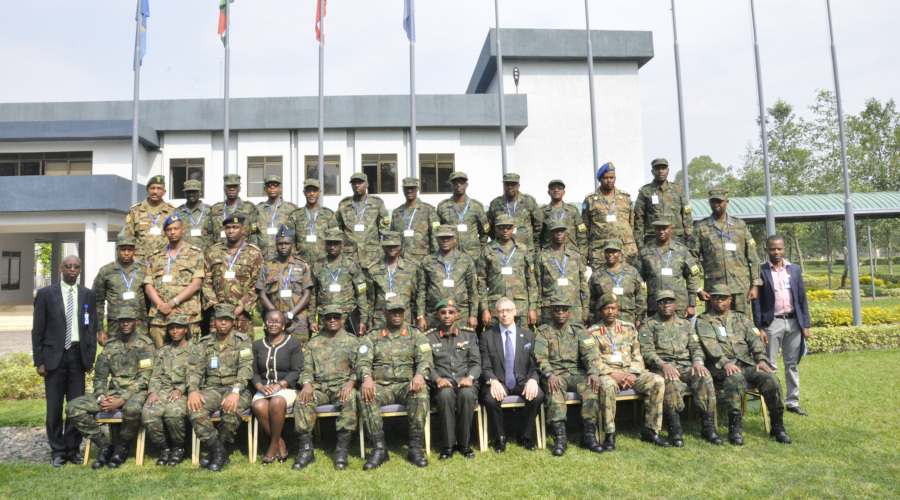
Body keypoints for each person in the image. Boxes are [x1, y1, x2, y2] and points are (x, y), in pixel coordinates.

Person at [697, 284, 792, 445]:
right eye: (715, 298)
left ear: (730, 300)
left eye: (722, 298)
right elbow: (710, 344)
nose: (719, 301)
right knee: (735, 379)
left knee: (771, 379)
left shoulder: (740, 318)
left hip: (747, 363)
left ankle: (778, 426)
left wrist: (761, 359)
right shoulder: (704, 319)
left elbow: (754, 339)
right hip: (720, 366)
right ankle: (735, 429)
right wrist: (725, 363)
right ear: (711, 300)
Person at [31, 255, 98, 467]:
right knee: (54, 408)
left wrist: (89, 358)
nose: (72, 270)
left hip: (77, 357)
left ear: (80, 270)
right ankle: (57, 451)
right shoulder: (45, 294)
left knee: (76, 406)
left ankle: (72, 449)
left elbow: (91, 329)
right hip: (53, 359)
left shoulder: (88, 294)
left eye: (76, 267)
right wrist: (39, 361)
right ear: (61, 268)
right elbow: (37, 330)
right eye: (68, 266)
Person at [66, 311, 155, 469]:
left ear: (136, 322)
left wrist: (122, 399)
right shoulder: (110, 345)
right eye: (122, 321)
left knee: (132, 410)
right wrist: (101, 396)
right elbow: (100, 376)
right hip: (112, 393)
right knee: (73, 407)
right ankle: (104, 445)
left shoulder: (145, 344)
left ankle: (122, 448)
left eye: (129, 320)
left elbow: (145, 377)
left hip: (136, 392)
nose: (125, 324)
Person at [638, 290, 721, 447]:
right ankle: (675, 429)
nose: (666, 305)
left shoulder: (685, 324)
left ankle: (708, 427)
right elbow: (646, 351)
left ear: (675, 304)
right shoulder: (648, 325)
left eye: (670, 301)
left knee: (705, 378)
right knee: (671, 382)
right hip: (662, 366)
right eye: (662, 302)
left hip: (686, 365)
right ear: (657, 305)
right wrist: (663, 365)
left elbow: (695, 346)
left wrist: (697, 362)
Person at [357, 297, 433, 469]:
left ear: (405, 313)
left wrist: (420, 375)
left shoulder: (416, 334)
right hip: (381, 386)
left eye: (400, 311)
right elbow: (362, 362)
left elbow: (426, 359)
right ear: (385, 313)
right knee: (366, 395)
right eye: (392, 312)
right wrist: (367, 378)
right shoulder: (373, 335)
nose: (396, 315)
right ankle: (379, 449)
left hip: (406, 385)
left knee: (420, 392)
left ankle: (415, 448)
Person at [588, 293, 665, 451]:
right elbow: (593, 359)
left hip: (631, 372)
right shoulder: (592, 332)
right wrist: (613, 374)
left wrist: (632, 374)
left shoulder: (629, 328)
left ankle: (650, 430)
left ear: (617, 310)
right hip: (609, 374)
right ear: (600, 311)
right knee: (607, 387)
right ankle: (610, 434)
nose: (610, 312)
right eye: (606, 308)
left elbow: (637, 355)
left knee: (657, 381)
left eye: (613, 308)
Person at [533, 295, 604, 456]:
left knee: (591, 390)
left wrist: (593, 371)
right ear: (551, 312)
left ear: (569, 312)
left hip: (575, 373)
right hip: (555, 374)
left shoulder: (578, 331)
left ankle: (589, 436)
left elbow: (591, 353)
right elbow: (540, 357)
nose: (560, 312)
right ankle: (560, 439)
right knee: (555, 392)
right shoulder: (544, 332)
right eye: (556, 309)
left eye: (564, 309)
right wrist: (549, 374)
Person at [186, 303, 253, 471]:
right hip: (212, 389)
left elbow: (246, 369)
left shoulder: (242, 341)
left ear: (233, 323)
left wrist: (235, 392)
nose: (223, 323)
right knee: (195, 408)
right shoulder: (204, 343)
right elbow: (194, 370)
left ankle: (217, 452)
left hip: (237, 389)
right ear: (214, 322)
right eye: (220, 319)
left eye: (227, 320)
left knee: (232, 411)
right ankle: (218, 451)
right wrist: (193, 390)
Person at [293, 304, 360, 470]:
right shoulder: (313, 343)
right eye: (328, 317)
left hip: (342, 387)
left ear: (342, 319)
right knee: (302, 400)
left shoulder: (353, 342)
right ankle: (306, 451)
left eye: (336, 317)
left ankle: (342, 450)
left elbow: (359, 368)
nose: (332, 320)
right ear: (322, 320)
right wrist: (307, 384)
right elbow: (306, 368)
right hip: (319, 388)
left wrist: (350, 383)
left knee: (350, 399)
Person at [752, 234, 812, 416]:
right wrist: (760, 328)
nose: (776, 252)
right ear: (766, 250)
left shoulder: (793, 270)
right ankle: (772, 402)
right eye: (772, 249)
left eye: (779, 248)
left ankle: (792, 402)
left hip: (794, 323)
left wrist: (806, 325)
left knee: (792, 364)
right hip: (772, 324)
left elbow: (802, 298)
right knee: (771, 365)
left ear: (784, 249)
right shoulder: (761, 271)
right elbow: (756, 302)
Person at [479, 297, 544, 452]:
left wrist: (533, 380)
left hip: (522, 381)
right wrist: (493, 381)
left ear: (515, 312)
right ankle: (500, 438)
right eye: (501, 311)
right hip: (499, 381)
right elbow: (484, 366)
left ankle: (525, 435)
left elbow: (535, 365)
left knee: (538, 396)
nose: (505, 314)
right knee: (489, 398)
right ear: (496, 314)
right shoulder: (487, 336)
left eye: (508, 311)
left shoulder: (528, 336)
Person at [425, 298, 481, 460]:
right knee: (445, 395)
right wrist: (436, 379)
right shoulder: (429, 338)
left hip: (466, 381)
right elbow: (427, 364)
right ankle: (447, 446)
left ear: (457, 314)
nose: (447, 316)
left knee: (467, 395)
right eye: (443, 313)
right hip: (443, 383)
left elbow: (476, 363)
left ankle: (464, 444)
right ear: (438, 315)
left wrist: (470, 377)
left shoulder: (469, 335)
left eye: (451, 312)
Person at [689, 188, 761, 313]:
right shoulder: (701, 228)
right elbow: (692, 260)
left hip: (739, 288)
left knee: (741, 325)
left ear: (727, 202)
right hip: (715, 290)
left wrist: (755, 285)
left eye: (720, 201)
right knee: (715, 327)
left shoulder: (740, 225)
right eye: (713, 202)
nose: (716, 205)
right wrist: (698, 289)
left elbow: (753, 257)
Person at [142, 313, 201, 467]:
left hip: (186, 390)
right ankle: (164, 448)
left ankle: (178, 448)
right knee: (148, 413)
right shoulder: (163, 351)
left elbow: (196, 374)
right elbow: (156, 375)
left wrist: (181, 390)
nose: (175, 331)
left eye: (179, 328)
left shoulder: (195, 349)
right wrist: (153, 392)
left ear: (185, 330)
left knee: (173, 413)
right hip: (163, 390)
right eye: (171, 328)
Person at [251, 309, 304, 465]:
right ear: (264, 324)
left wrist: (280, 385)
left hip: (286, 389)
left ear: (283, 325)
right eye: (269, 321)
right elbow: (252, 371)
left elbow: (296, 370)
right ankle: (280, 443)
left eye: (277, 321)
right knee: (259, 405)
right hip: (264, 388)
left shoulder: (293, 343)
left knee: (276, 401)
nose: (273, 324)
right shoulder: (258, 345)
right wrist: (260, 387)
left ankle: (271, 447)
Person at [144, 213, 204, 347]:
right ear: (165, 232)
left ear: (183, 230)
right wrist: (162, 306)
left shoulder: (195, 253)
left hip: (186, 315)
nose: (173, 232)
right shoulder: (155, 256)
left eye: (176, 228)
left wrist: (171, 304)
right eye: (169, 229)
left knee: (188, 359)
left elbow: (196, 284)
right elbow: (148, 285)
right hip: (160, 317)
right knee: (160, 358)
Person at [202, 214, 264, 335]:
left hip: (242, 316)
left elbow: (258, 284)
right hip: (218, 315)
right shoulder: (213, 252)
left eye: (235, 227)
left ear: (243, 230)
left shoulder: (253, 253)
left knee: (243, 351)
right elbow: (206, 282)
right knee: (217, 350)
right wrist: (217, 307)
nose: (231, 231)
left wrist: (240, 308)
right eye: (228, 228)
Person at [257, 224, 314, 347]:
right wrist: (277, 316)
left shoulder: (302, 265)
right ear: (275, 245)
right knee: (275, 356)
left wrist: (290, 314)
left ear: (292, 244)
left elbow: (307, 294)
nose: (283, 246)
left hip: (297, 321)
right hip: (274, 323)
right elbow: (262, 294)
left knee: (300, 357)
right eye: (280, 244)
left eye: (286, 243)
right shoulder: (267, 266)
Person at [479, 214, 538, 328]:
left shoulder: (523, 249)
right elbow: (481, 282)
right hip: (496, 308)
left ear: (513, 228)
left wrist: (532, 308)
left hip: (520, 308)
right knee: (496, 342)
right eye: (501, 227)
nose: (505, 230)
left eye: (508, 227)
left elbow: (532, 281)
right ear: (495, 229)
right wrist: (485, 309)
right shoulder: (488, 249)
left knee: (522, 342)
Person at [636, 215, 701, 319]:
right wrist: (642, 307)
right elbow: (637, 280)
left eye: (664, 228)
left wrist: (692, 304)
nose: (661, 231)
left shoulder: (682, 251)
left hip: (678, 305)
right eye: (658, 229)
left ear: (671, 229)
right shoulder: (645, 251)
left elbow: (693, 276)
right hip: (654, 305)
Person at [416, 225, 480, 330]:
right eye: (442, 238)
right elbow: (421, 291)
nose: (445, 240)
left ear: (454, 239)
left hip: (460, 315)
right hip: (433, 316)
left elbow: (473, 290)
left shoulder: (466, 260)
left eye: (449, 238)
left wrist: (473, 315)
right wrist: (421, 316)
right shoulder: (428, 261)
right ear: (437, 239)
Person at [308, 228, 369, 336]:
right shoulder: (318, 265)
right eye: (329, 244)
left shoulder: (351, 264)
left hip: (346, 318)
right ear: (325, 244)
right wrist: (312, 319)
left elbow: (361, 294)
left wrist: (363, 319)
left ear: (342, 244)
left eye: (335, 244)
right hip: (325, 317)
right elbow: (313, 295)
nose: (332, 247)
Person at [92, 234, 149, 345]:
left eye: (130, 249)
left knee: (141, 359)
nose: (126, 253)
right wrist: (100, 330)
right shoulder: (106, 271)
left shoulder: (144, 270)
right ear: (117, 249)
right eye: (123, 249)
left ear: (134, 250)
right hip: (115, 327)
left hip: (140, 327)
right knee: (115, 359)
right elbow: (97, 301)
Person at [582, 162, 638, 266]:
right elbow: (585, 229)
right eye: (605, 178)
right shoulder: (590, 200)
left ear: (615, 178)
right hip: (600, 252)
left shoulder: (625, 198)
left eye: (611, 178)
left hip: (625, 251)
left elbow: (632, 224)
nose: (609, 181)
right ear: (599, 179)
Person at [334, 172, 390, 274]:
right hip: (350, 257)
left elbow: (385, 232)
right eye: (354, 183)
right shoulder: (344, 205)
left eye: (360, 182)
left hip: (372, 258)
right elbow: (336, 230)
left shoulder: (377, 203)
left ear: (367, 184)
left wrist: (381, 255)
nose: (357, 185)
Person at [535, 221, 589, 325]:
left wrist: (585, 311)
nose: (559, 234)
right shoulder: (542, 257)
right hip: (550, 310)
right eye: (555, 231)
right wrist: (538, 312)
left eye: (562, 231)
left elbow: (584, 286)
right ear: (550, 234)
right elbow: (537, 287)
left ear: (566, 233)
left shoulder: (575, 256)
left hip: (574, 310)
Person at [436, 171, 490, 273]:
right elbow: (437, 232)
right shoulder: (443, 207)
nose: (459, 185)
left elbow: (484, 231)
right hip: (450, 255)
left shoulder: (476, 206)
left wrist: (479, 248)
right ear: (451, 185)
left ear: (467, 185)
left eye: (462, 182)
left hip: (472, 256)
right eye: (455, 182)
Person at [634, 158, 693, 247]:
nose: (660, 171)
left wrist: (689, 236)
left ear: (668, 171)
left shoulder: (678, 190)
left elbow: (687, 213)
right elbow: (639, 219)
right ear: (652, 171)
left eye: (663, 168)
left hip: (676, 238)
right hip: (653, 238)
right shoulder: (645, 192)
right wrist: (639, 242)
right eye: (657, 169)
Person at [365, 231, 419, 327]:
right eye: (388, 246)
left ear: (400, 246)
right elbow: (370, 299)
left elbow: (414, 297)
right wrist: (368, 321)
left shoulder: (410, 268)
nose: (392, 249)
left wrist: (417, 317)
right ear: (383, 247)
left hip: (403, 318)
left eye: (395, 246)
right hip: (380, 319)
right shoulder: (374, 269)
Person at [588, 239, 646, 327]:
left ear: (620, 252)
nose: (610, 255)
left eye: (614, 252)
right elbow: (590, 299)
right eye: (607, 252)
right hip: (603, 324)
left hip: (628, 322)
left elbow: (641, 296)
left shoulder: (632, 272)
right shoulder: (597, 274)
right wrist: (591, 319)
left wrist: (640, 318)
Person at [123, 174, 176, 262]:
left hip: (164, 260)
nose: (155, 191)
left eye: (159, 188)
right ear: (147, 190)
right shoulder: (135, 211)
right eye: (152, 188)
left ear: (164, 192)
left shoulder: (172, 212)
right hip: (140, 261)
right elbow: (128, 239)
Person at [390, 177, 440, 266]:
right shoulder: (397, 213)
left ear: (418, 189)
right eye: (406, 188)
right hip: (401, 262)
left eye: (412, 188)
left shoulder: (428, 210)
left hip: (422, 261)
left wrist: (434, 261)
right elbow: (392, 237)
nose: (409, 191)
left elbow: (435, 237)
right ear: (403, 189)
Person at [487, 173, 541, 252]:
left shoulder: (528, 202)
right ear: (503, 185)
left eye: (513, 185)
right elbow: (490, 226)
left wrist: (531, 240)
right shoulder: (495, 203)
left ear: (518, 186)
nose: (510, 187)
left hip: (526, 249)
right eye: (507, 184)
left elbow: (538, 224)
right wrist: (497, 237)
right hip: (502, 250)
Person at [290, 178, 337, 265]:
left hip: (323, 263)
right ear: (304, 192)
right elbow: (290, 240)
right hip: (301, 263)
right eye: (308, 190)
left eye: (314, 190)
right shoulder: (295, 215)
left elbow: (335, 239)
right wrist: (295, 258)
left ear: (320, 192)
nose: (311, 193)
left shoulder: (328, 215)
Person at [253, 175, 299, 262]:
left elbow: (297, 234)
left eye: (275, 185)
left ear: (280, 188)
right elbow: (254, 233)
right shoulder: (258, 209)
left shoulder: (291, 209)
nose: (272, 188)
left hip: (285, 257)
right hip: (263, 257)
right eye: (269, 186)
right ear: (265, 189)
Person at [538, 178, 587, 254]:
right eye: (552, 188)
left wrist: (583, 257)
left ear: (564, 192)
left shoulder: (573, 210)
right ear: (549, 192)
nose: (556, 190)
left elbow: (582, 235)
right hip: (549, 257)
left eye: (559, 188)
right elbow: (537, 237)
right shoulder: (542, 212)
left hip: (571, 256)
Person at [208, 173, 257, 248]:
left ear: (239, 189)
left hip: (243, 252)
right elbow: (209, 234)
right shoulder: (215, 209)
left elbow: (254, 234)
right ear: (224, 188)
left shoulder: (249, 208)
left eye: (235, 186)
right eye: (229, 186)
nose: (231, 189)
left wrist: (252, 251)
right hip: (219, 252)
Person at [176, 179, 214, 251]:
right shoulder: (178, 212)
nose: (191, 194)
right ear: (184, 193)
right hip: (184, 255)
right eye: (188, 192)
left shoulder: (210, 211)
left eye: (194, 191)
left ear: (201, 192)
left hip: (205, 254)